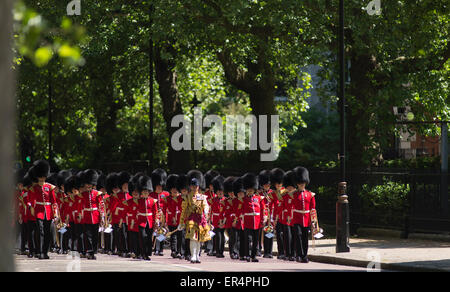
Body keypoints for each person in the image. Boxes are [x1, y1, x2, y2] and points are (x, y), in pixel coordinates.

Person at [178, 170, 211, 264]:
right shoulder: (187, 197)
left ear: (198, 186)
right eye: (192, 186)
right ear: (190, 187)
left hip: (200, 219)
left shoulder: (202, 197)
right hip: (191, 219)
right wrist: (181, 222)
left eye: (196, 186)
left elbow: (205, 205)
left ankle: (197, 256)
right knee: (193, 238)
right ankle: (193, 255)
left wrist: (206, 210)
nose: (194, 187)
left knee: (199, 239)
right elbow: (184, 210)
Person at [28, 160, 59, 259]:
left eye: (43, 176)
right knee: (40, 231)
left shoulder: (49, 187)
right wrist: (32, 207)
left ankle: (45, 252)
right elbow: (32, 199)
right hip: (38, 212)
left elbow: (54, 201)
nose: (41, 178)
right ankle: (40, 251)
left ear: (45, 176)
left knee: (47, 232)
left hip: (48, 212)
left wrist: (55, 212)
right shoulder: (34, 188)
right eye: (40, 176)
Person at [292, 166, 316, 263]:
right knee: (298, 235)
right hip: (297, 218)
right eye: (300, 183)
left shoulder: (310, 194)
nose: (301, 184)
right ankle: (298, 254)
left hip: (306, 219)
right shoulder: (293, 194)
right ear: (297, 184)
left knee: (305, 238)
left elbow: (312, 209)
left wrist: (313, 221)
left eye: (303, 183)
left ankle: (304, 255)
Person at [80, 169, 104, 260]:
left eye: (90, 183)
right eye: (87, 184)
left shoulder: (97, 194)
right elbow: (80, 206)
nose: (89, 185)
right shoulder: (83, 194)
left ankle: (93, 251)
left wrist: (102, 216)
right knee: (88, 235)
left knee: (95, 235)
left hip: (95, 216)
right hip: (86, 216)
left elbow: (101, 205)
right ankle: (89, 251)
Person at [241, 173, 265, 262]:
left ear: (254, 190)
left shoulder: (259, 198)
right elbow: (241, 211)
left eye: (251, 190)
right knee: (248, 239)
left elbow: (262, 209)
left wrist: (263, 219)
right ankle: (247, 255)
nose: (250, 191)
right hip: (248, 221)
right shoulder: (243, 199)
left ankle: (253, 255)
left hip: (257, 221)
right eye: (248, 190)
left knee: (255, 240)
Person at [136, 175, 158, 261]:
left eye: (146, 192)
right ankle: (143, 253)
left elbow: (155, 212)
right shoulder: (139, 200)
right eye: (144, 192)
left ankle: (148, 253)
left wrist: (156, 220)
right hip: (141, 221)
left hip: (150, 221)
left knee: (149, 238)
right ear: (141, 193)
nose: (145, 193)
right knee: (143, 237)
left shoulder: (153, 201)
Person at [163, 174, 183, 259]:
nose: (174, 190)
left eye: (176, 189)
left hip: (180, 219)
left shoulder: (182, 198)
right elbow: (164, 210)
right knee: (173, 236)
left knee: (180, 236)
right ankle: (173, 251)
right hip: (171, 219)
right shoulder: (167, 199)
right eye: (173, 189)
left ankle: (179, 251)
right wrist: (164, 221)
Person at [150, 168, 169, 256]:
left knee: (162, 232)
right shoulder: (151, 195)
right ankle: (154, 248)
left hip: (163, 217)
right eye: (157, 186)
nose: (159, 187)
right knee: (154, 232)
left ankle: (160, 248)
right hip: (154, 216)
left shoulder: (166, 194)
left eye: (160, 186)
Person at [122, 176, 141, 259]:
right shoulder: (128, 202)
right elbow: (124, 213)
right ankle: (133, 251)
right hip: (131, 222)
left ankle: (139, 252)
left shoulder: (142, 201)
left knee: (140, 238)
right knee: (132, 238)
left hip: (140, 222)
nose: (135, 193)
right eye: (133, 191)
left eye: (137, 191)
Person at [280, 170, 297, 261]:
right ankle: (287, 253)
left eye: (291, 187)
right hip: (286, 218)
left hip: (295, 217)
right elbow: (281, 207)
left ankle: (293, 253)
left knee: (295, 235)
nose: (290, 188)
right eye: (288, 187)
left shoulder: (297, 196)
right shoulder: (284, 196)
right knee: (287, 236)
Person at [258, 170, 275, 258]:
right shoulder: (259, 193)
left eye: (268, 184)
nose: (267, 186)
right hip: (261, 216)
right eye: (265, 184)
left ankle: (268, 251)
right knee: (259, 234)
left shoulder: (273, 193)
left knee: (269, 233)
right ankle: (259, 249)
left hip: (270, 216)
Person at [270, 168, 285, 260]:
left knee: (287, 235)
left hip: (286, 216)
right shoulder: (273, 194)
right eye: (277, 183)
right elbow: (270, 206)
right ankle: (281, 252)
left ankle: (289, 252)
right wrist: (271, 218)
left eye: (280, 183)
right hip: (277, 218)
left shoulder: (286, 192)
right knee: (279, 235)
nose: (278, 185)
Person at [210, 175, 226, 258]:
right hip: (215, 219)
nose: (220, 192)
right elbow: (210, 211)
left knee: (222, 235)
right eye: (218, 191)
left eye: (221, 191)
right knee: (217, 235)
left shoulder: (225, 200)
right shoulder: (213, 200)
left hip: (223, 219)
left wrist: (223, 221)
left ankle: (221, 251)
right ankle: (217, 251)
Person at [223, 176, 238, 259]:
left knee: (236, 237)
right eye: (229, 192)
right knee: (231, 238)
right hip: (229, 221)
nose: (231, 194)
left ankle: (236, 251)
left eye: (232, 192)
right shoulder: (226, 201)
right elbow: (224, 212)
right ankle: (232, 252)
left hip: (236, 221)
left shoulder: (238, 200)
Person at [232, 177, 245, 261]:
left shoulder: (246, 200)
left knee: (243, 238)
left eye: (241, 193)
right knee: (235, 238)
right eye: (239, 193)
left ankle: (243, 253)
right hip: (237, 221)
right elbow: (233, 211)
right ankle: (235, 252)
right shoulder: (235, 201)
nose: (240, 194)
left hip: (244, 221)